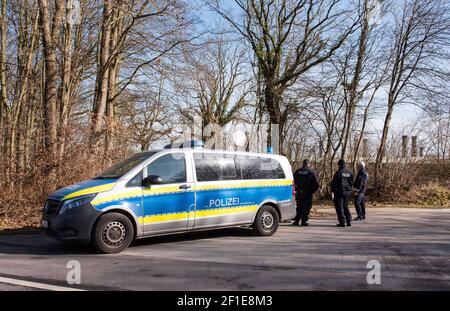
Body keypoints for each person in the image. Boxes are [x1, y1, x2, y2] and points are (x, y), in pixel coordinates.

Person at [293, 159, 320, 226]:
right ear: (308, 164)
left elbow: (293, 181)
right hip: (308, 193)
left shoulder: (297, 171)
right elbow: (316, 184)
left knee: (299, 207)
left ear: (303, 164)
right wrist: (312, 191)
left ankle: (296, 221)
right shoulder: (311, 172)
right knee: (306, 207)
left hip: (299, 192)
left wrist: (296, 189)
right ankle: (303, 221)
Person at [331, 159, 354, 227]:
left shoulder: (338, 173)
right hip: (347, 192)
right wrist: (349, 189)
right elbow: (352, 182)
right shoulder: (349, 173)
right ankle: (349, 220)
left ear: (339, 165)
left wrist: (334, 191)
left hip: (340, 192)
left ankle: (342, 222)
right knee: (345, 206)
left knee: (339, 207)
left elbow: (333, 184)